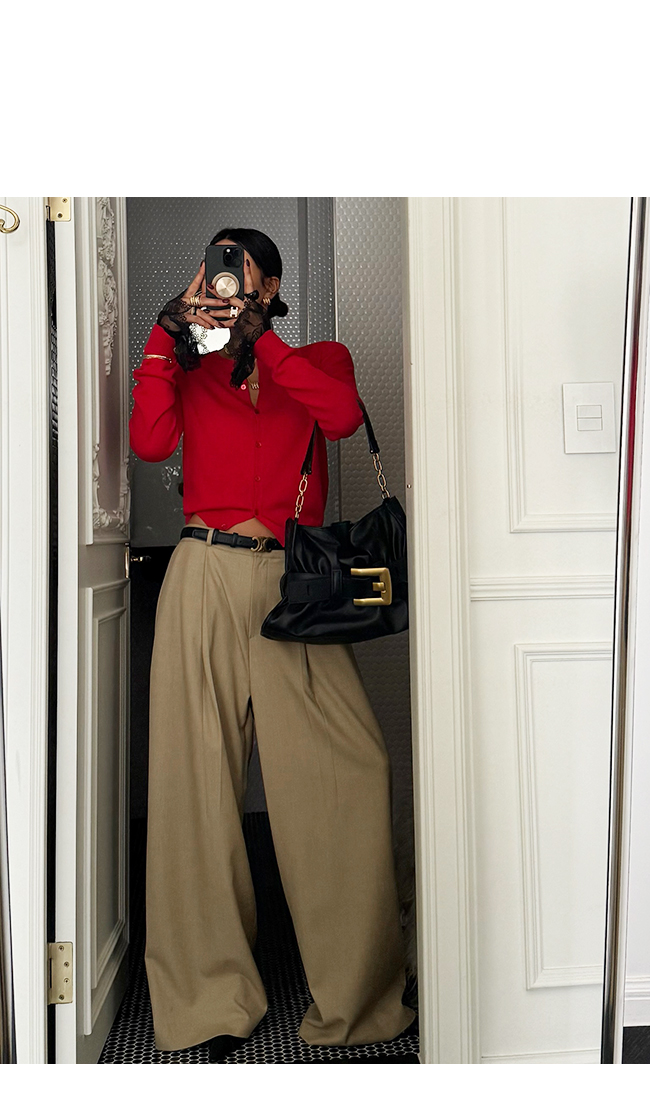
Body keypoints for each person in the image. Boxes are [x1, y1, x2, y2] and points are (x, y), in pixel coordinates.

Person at [129, 227, 416, 1061]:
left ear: (273, 287)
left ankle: (358, 997)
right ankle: (207, 998)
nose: (230, 284)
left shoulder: (321, 356)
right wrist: (164, 335)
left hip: (298, 582)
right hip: (202, 572)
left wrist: (263, 341)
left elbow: (342, 418)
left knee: (345, 776)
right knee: (193, 786)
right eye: (220, 269)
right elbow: (149, 442)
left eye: (245, 273)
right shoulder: (188, 365)